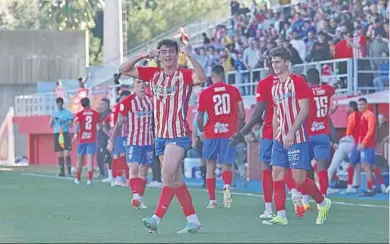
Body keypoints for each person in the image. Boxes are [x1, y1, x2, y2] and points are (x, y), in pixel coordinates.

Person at [118, 39, 207, 234]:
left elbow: (202, 77)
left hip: (178, 134)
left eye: (170, 51)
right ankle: (193, 221)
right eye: (163, 51)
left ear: (177, 54)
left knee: (167, 175)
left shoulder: (184, 75)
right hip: (160, 137)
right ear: (159, 54)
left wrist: (190, 55)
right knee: (175, 180)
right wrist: (143, 55)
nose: (167, 55)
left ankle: (156, 218)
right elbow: (123, 69)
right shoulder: (153, 75)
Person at [262, 47, 331, 226]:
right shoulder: (275, 85)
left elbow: (305, 109)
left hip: (298, 137)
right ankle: (281, 215)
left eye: (278, 62)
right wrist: (277, 134)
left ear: (286, 63)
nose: (274, 65)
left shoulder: (298, 82)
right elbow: (277, 112)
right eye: (272, 62)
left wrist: (291, 132)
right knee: (276, 173)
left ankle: (323, 203)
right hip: (280, 137)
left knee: (299, 179)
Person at [197, 65, 245, 209]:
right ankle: (226, 187)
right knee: (226, 164)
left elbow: (200, 117)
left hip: (212, 132)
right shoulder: (234, 90)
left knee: (210, 164)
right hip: (228, 132)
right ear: (223, 75)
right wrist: (238, 128)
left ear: (212, 76)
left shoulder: (206, 93)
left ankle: (212, 200)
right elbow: (242, 114)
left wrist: (201, 131)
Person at [108, 79, 154, 209]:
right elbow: (119, 122)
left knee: (144, 171)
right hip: (133, 141)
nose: (141, 85)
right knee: (133, 168)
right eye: (138, 82)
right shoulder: (128, 101)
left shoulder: (152, 100)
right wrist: (111, 140)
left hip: (148, 140)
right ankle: (135, 196)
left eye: (143, 82)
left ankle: (140, 198)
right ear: (134, 84)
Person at [305, 68, 336, 201]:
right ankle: (323, 199)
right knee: (322, 169)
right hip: (323, 134)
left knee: (305, 167)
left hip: (308, 134)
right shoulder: (327, 90)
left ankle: (305, 199)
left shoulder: (305, 92)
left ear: (307, 80)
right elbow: (334, 86)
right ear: (319, 78)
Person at [328, 101, 360, 193]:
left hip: (349, 143)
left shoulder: (354, 116)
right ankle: (352, 186)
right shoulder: (359, 115)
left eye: (347, 106)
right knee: (351, 166)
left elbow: (350, 132)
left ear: (352, 107)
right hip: (350, 143)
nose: (345, 108)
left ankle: (325, 187)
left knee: (333, 167)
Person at [355, 98, 382, 197]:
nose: (360, 106)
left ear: (366, 104)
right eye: (358, 105)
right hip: (364, 144)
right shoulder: (363, 116)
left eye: (362, 104)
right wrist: (359, 142)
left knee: (366, 166)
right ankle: (376, 186)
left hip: (368, 145)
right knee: (370, 166)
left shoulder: (370, 115)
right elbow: (361, 133)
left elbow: (370, 131)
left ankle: (370, 189)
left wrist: (363, 143)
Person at [104, 91, 131, 187]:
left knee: (116, 156)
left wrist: (109, 134)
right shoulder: (121, 106)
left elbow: (105, 123)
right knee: (123, 155)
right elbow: (119, 121)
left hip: (114, 134)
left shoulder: (115, 107)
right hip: (119, 133)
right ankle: (118, 178)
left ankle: (114, 178)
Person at [73, 97, 100, 186]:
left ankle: (77, 179)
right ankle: (89, 180)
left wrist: (75, 134)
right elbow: (99, 125)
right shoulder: (95, 114)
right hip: (92, 139)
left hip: (82, 139)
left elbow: (76, 126)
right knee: (90, 160)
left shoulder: (79, 114)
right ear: (89, 103)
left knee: (79, 160)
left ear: (82, 105)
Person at [50, 97, 73, 177]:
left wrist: (63, 121)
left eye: (60, 104)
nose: (58, 106)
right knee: (60, 154)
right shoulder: (54, 113)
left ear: (62, 104)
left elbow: (70, 124)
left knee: (67, 153)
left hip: (65, 133)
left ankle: (69, 171)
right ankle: (62, 172)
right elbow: (50, 125)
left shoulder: (68, 113)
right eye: (57, 104)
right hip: (57, 133)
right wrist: (52, 120)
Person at [191, 111, 208, 188]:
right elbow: (194, 127)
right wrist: (193, 140)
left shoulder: (211, 112)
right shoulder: (198, 113)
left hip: (209, 137)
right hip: (200, 138)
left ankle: (209, 180)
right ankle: (204, 181)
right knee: (202, 159)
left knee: (210, 160)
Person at [97, 98, 111, 180]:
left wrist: (109, 134)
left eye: (103, 104)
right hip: (100, 137)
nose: (101, 105)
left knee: (106, 156)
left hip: (107, 138)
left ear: (107, 105)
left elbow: (103, 126)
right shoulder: (100, 114)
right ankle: (102, 173)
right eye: (101, 104)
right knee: (99, 157)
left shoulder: (109, 113)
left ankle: (107, 174)